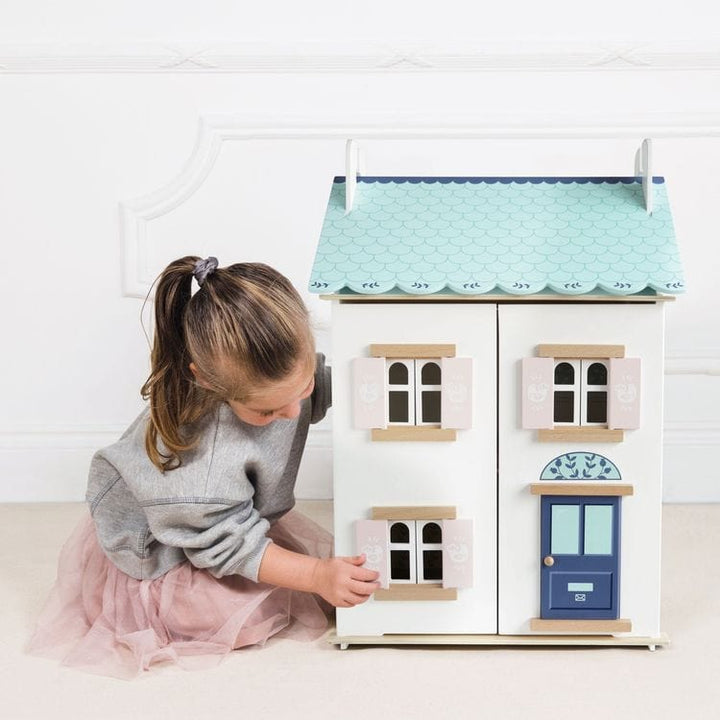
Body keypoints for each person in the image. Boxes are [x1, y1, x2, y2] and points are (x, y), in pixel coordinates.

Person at [29, 256, 379, 678]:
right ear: (209, 382)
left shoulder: (281, 378)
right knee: (242, 611)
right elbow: (228, 542)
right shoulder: (205, 464)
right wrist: (317, 575)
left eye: (303, 389)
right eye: (267, 411)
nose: (292, 412)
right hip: (165, 545)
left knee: (286, 574)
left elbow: (324, 384)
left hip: (213, 513)